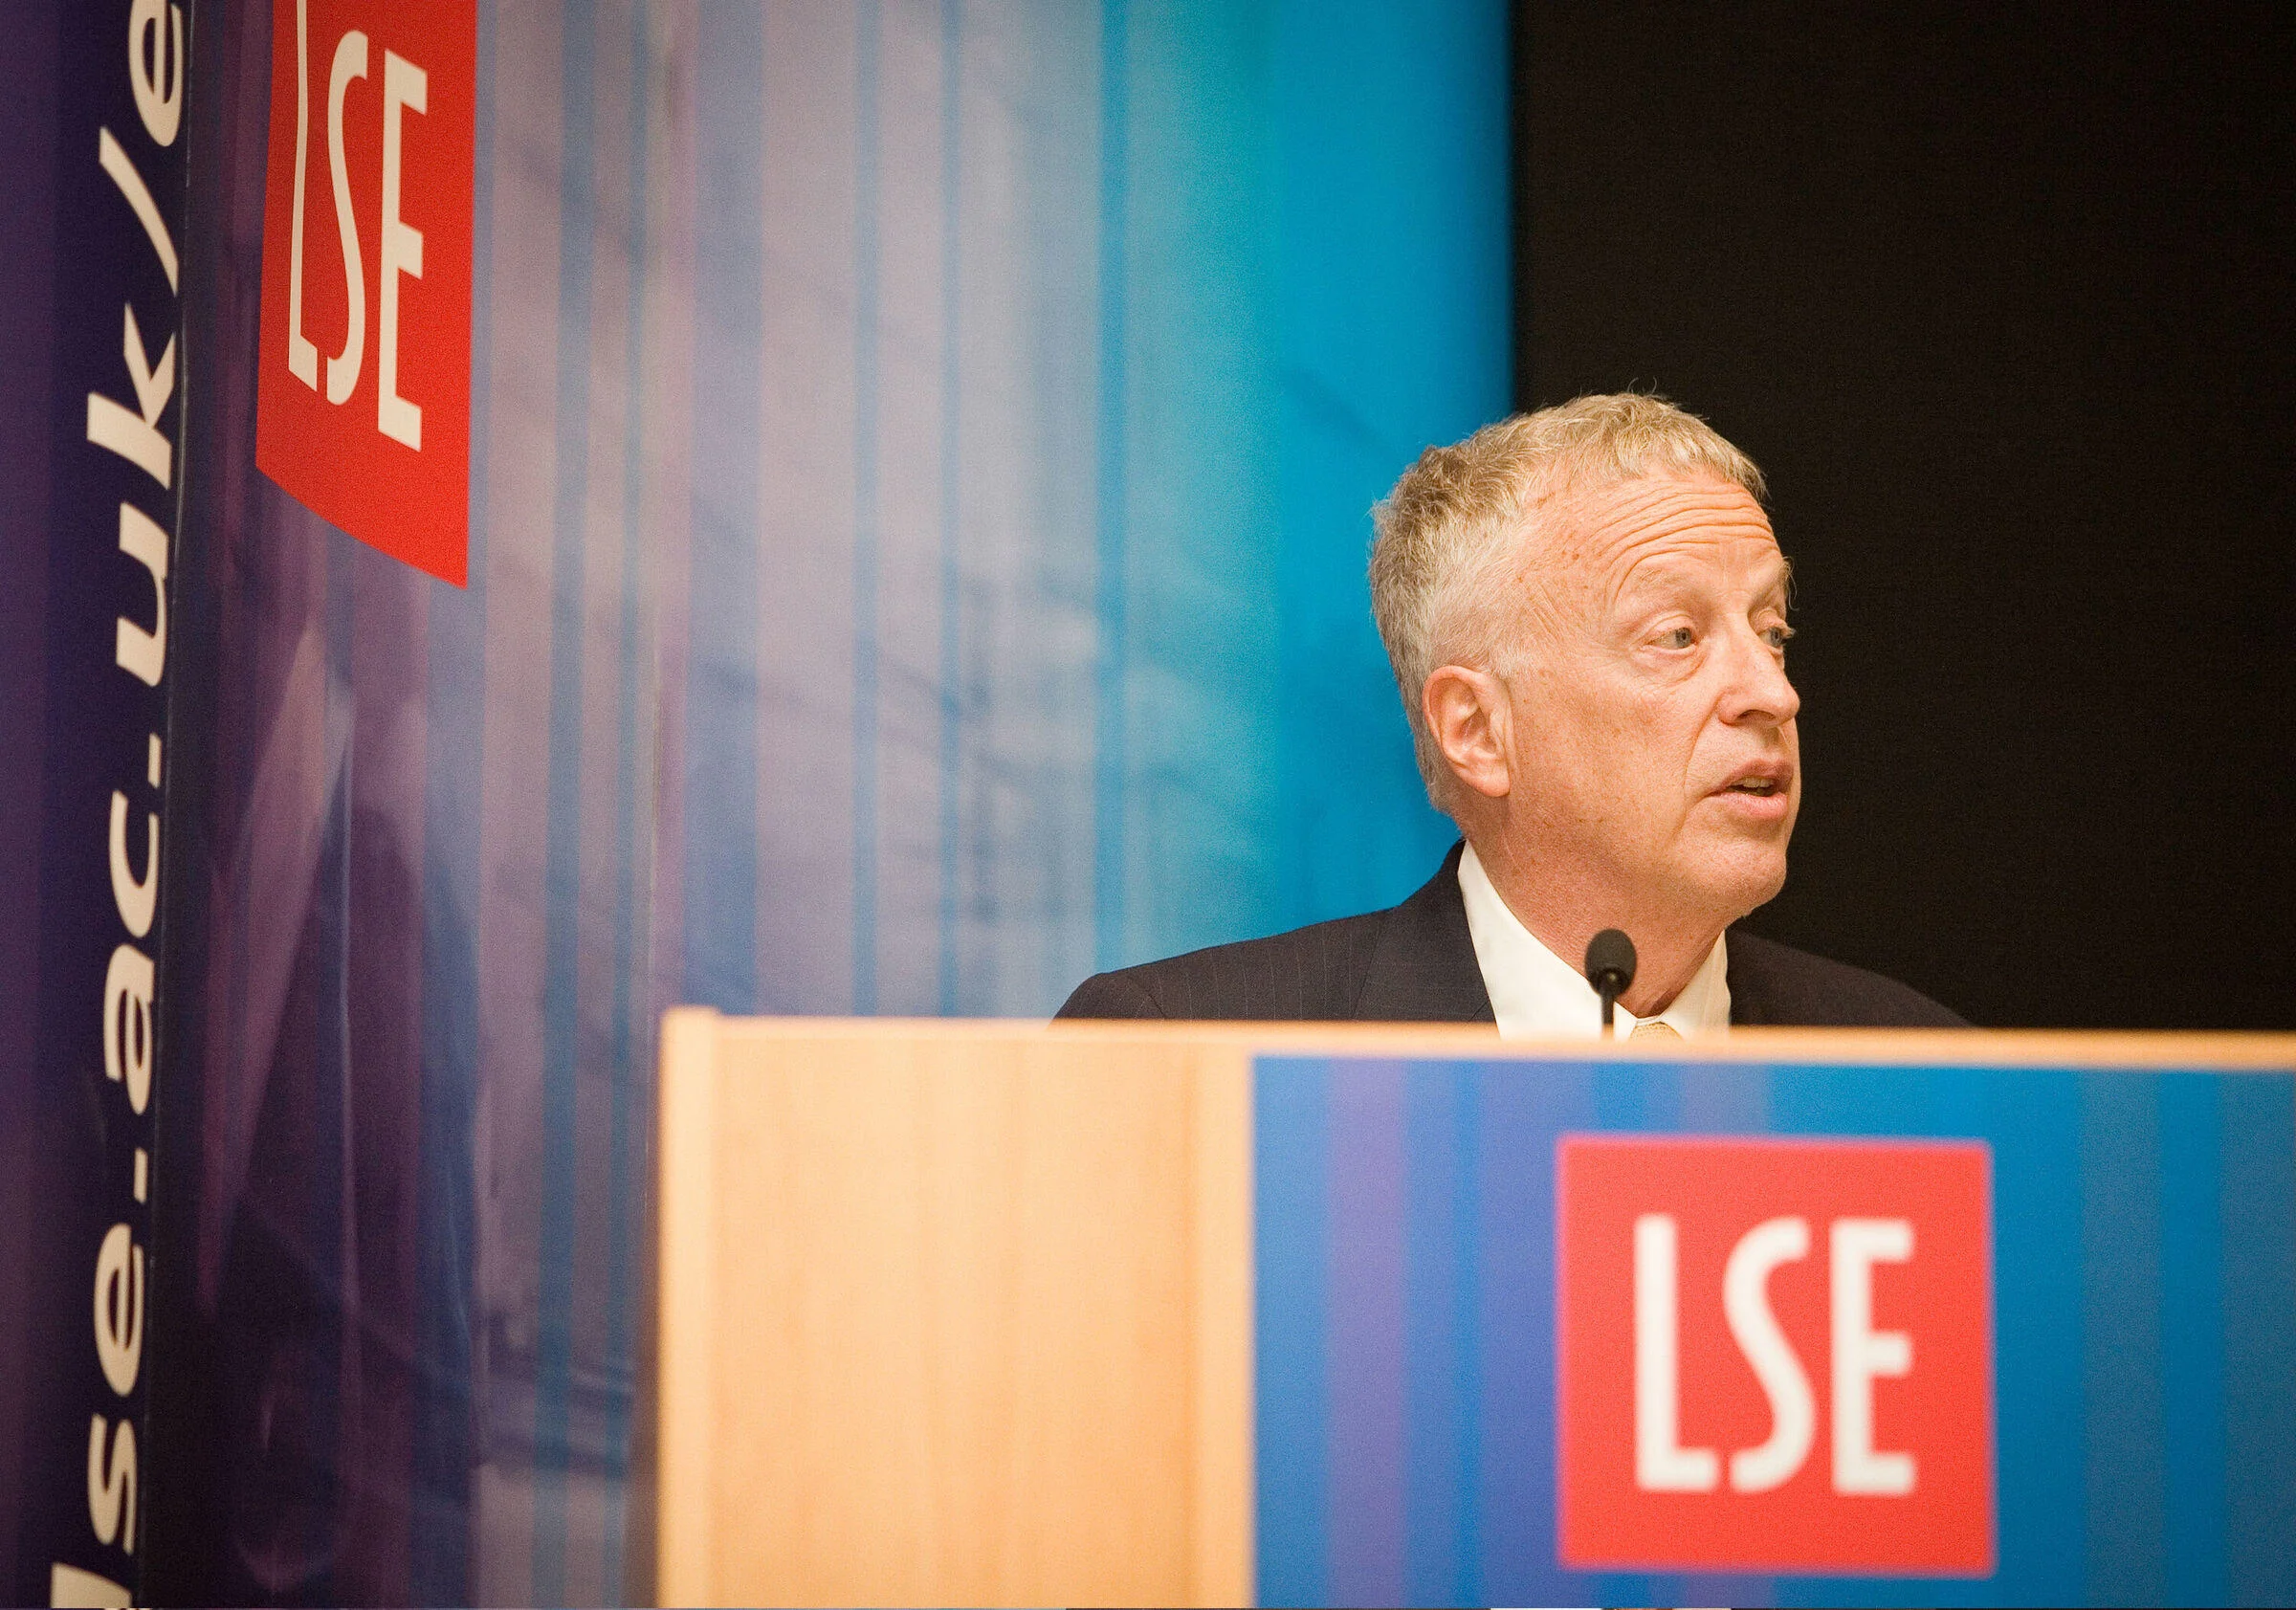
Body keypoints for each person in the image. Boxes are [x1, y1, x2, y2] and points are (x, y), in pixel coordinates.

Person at [1057, 393, 1962, 1035]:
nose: (1772, 692)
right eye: (1678, 636)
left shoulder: (1927, 1070)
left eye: (1772, 631)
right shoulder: (1190, 1053)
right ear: (1478, 731)